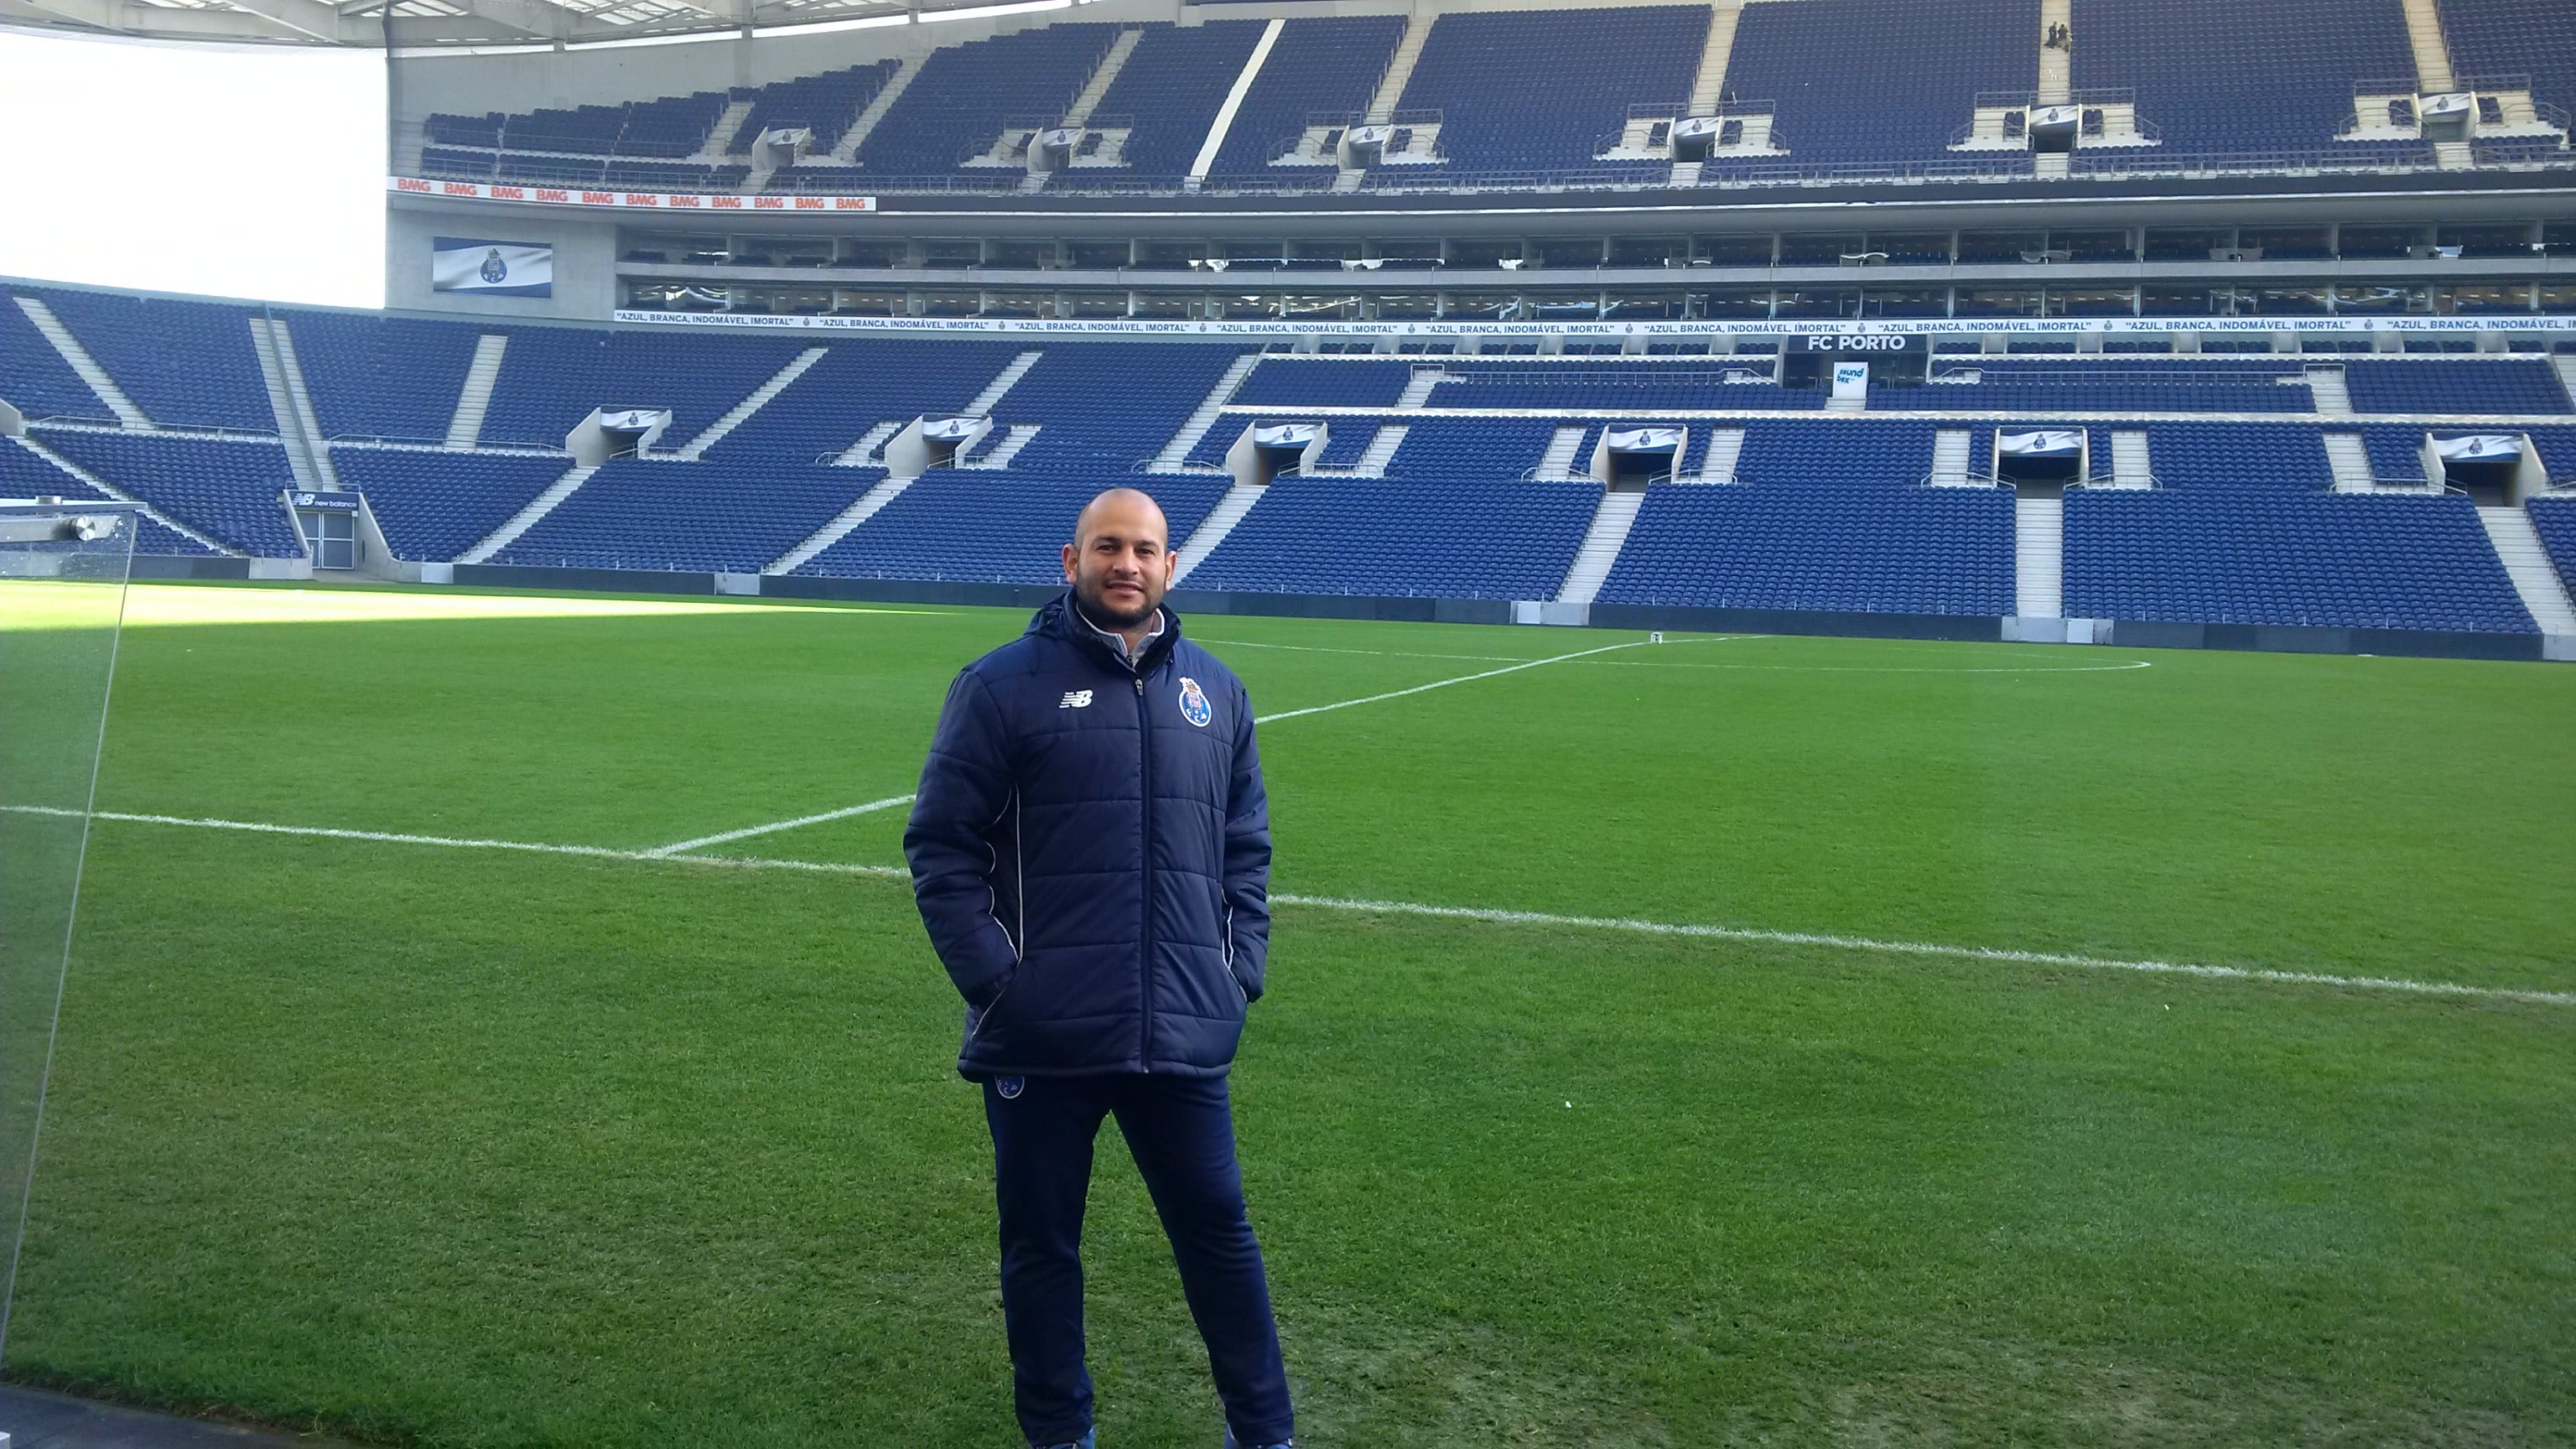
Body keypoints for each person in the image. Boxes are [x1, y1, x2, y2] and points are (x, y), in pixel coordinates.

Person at [906, 487, 1294, 1449]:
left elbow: (1245, 847)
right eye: (1107, 547)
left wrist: (1236, 968)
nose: (1127, 563)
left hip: (1183, 1028)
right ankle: (1059, 1433)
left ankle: (1267, 1431)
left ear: (1171, 567)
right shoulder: (999, 687)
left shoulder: (1218, 692)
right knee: (1041, 1251)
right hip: (1043, 1032)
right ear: (1068, 560)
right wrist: (1002, 982)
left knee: (1220, 1240)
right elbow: (942, 847)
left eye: (1145, 549)